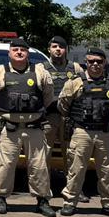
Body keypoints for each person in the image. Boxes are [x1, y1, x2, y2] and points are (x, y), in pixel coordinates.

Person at [0, 37, 56, 217]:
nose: (19, 52)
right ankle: (0, 197)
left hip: (34, 127)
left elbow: (48, 96)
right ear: (9, 53)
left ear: (27, 53)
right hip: (9, 127)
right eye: (15, 50)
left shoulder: (39, 72)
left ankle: (42, 199)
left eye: (22, 50)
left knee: (39, 165)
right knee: (5, 165)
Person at [57, 47, 109, 217]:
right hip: (82, 132)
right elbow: (63, 105)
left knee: (107, 171)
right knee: (76, 169)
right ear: (86, 63)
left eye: (99, 62)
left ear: (105, 63)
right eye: (91, 61)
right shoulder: (74, 83)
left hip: (105, 133)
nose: (95, 65)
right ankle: (69, 202)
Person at [44, 35, 85, 163]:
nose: (58, 49)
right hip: (48, 117)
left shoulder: (75, 68)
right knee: (44, 155)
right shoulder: (41, 68)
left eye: (61, 47)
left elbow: (84, 89)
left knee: (70, 155)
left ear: (66, 50)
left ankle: (70, 182)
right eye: (54, 47)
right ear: (49, 49)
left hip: (69, 118)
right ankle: (44, 183)